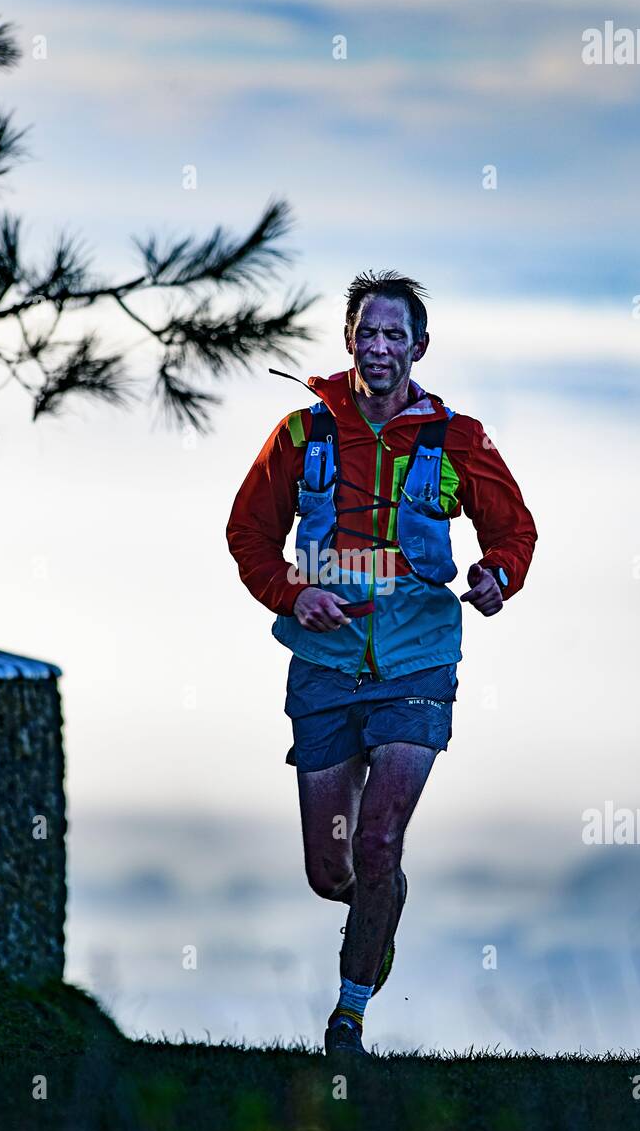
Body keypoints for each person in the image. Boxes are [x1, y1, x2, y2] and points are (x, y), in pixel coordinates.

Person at [226, 270, 537, 1057]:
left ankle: (349, 1014)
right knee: (332, 871)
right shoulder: (302, 433)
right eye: (370, 332)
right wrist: (294, 596)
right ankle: (377, 911)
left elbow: (515, 531)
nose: (382, 347)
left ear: (420, 347)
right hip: (324, 665)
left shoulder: (459, 438)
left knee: (379, 840)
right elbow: (247, 534)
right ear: (349, 342)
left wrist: (497, 578)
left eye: (397, 335)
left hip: (419, 661)